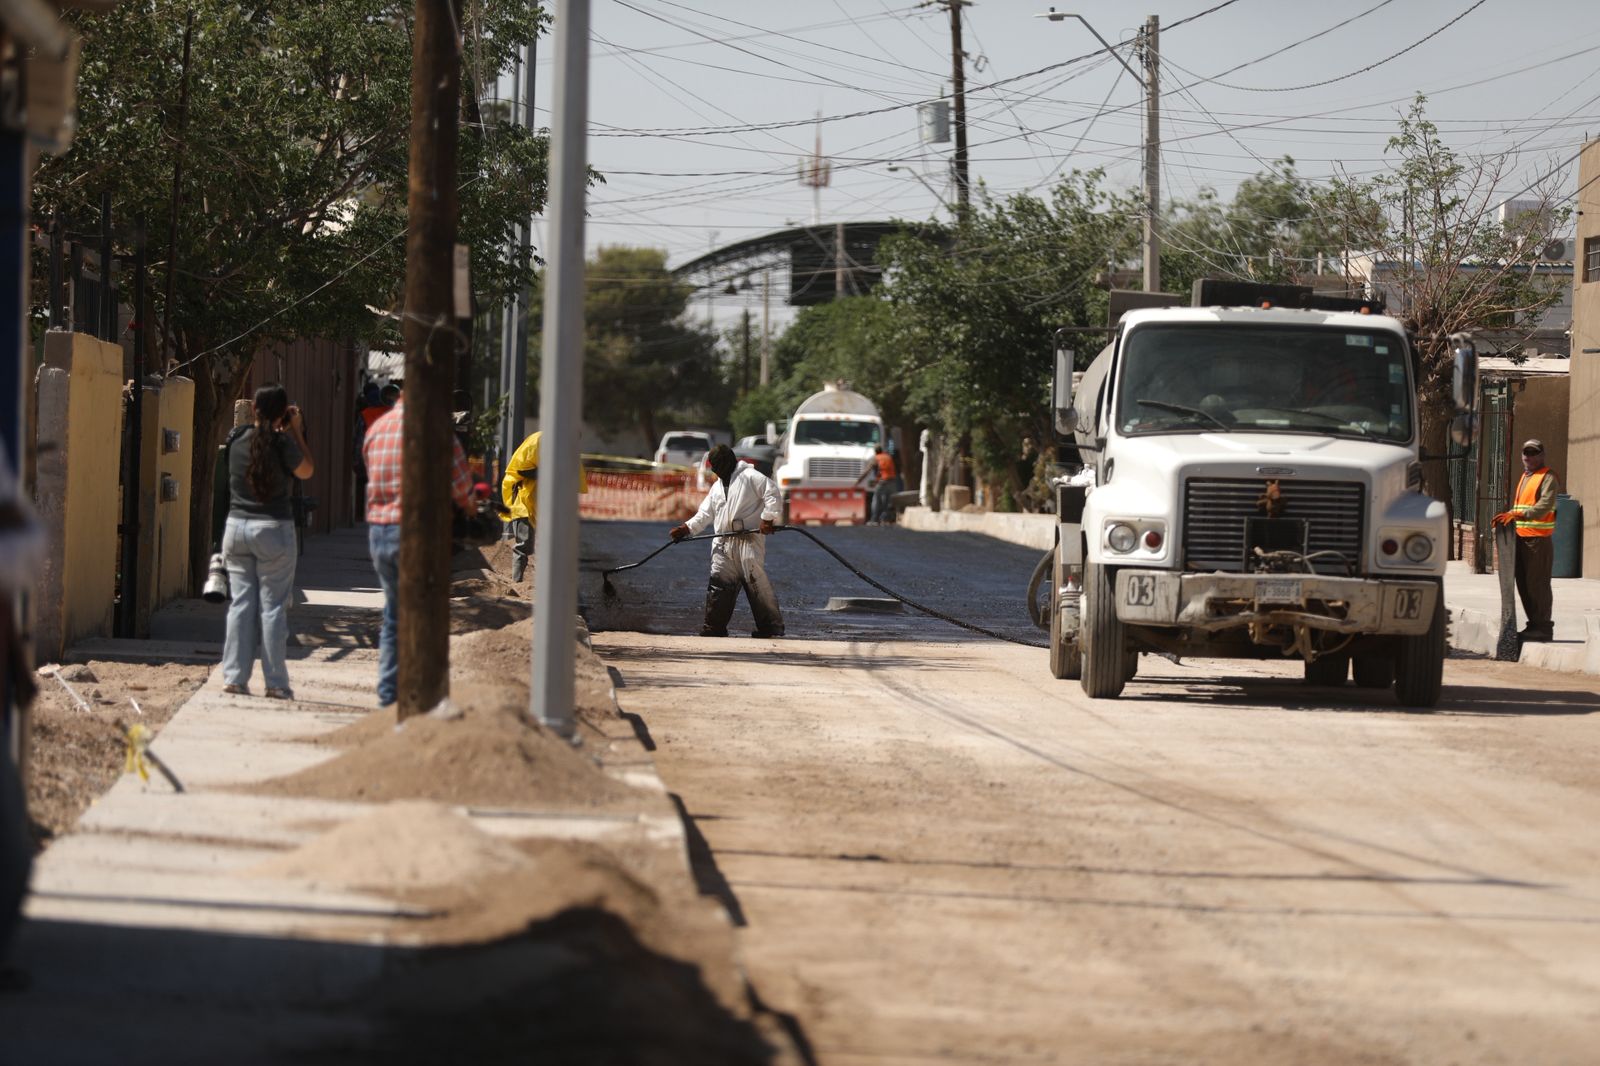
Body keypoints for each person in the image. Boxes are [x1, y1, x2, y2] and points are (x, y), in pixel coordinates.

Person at [363, 395, 474, 708]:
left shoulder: (377, 428)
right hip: (415, 533)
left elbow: (370, 473)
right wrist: (469, 507)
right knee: (424, 614)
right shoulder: (434, 430)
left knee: (395, 613)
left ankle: (390, 694)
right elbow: (461, 486)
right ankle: (418, 693)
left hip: (379, 532)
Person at [222, 384, 314, 699]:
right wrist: (296, 430)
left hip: (236, 529)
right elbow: (306, 470)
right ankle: (275, 683)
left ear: (254, 410)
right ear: (282, 413)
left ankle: (234, 678)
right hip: (273, 530)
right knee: (272, 607)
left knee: (241, 604)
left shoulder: (236, 440)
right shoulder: (283, 444)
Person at [670, 444, 785, 638]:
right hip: (723, 543)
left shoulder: (750, 476)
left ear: (727, 461)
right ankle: (714, 627)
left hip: (748, 540)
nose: (714, 470)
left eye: (716, 465)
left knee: (756, 584)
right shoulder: (716, 488)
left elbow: (772, 492)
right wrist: (686, 528)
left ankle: (769, 627)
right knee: (719, 585)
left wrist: (767, 518)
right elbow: (705, 514)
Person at [1493, 438, 1560, 643]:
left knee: (1537, 585)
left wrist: (1519, 515)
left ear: (1542, 455)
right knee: (1524, 585)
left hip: (1537, 540)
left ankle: (1543, 628)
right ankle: (1534, 625)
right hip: (1521, 538)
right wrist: (1509, 515)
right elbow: (1522, 507)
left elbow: (1544, 506)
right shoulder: (1526, 476)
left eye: (1533, 453)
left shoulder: (1548, 477)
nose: (1528, 457)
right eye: (1526, 453)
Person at [501, 430, 589, 583]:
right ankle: (517, 582)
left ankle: (551, 583)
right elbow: (521, 470)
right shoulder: (538, 441)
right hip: (524, 500)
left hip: (547, 504)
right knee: (524, 544)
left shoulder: (568, 452)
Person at [854, 444, 902, 525]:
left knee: (876, 500)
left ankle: (874, 520)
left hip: (883, 482)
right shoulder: (888, 457)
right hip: (893, 482)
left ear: (875, 451)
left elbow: (867, 471)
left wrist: (858, 481)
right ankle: (887, 519)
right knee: (888, 501)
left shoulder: (876, 458)